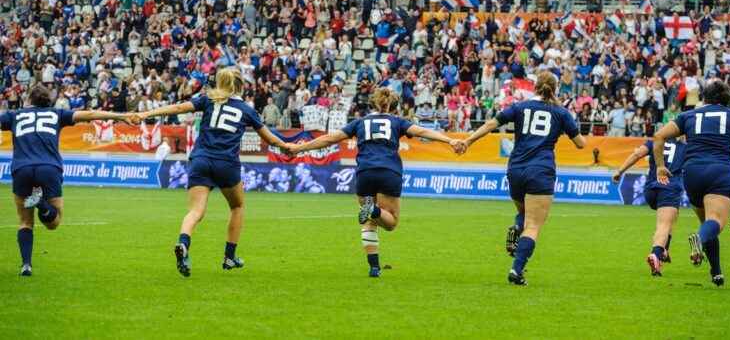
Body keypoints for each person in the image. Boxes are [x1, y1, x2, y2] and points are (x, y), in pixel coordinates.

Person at [287, 88, 465, 278]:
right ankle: (373, 211)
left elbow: (331, 138)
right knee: (391, 222)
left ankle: (374, 267)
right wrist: (449, 140)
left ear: (373, 103)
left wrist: (300, 148)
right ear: (393, 106)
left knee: (370, 223)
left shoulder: (359, 123)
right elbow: (421, 131)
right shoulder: (397, 122)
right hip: (389, 171)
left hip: (365, 173)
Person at [136, 68, 291, 277]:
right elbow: (270, 138)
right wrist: (290, 148)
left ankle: (183, 242)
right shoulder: (246, 109)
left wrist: (148, 113)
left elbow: (179, 107)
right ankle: (229, 256)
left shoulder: (207, 100)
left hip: (201, 160)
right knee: (237, 206)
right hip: (226, 163)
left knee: (196, 211)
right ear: (239, 86)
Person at [461, 71, 587, 285]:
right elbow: (580, 143)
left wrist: (468, 140)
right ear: (555, 89)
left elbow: (492, 123)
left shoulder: (520, 107)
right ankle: (516, 270)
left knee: (523, 213)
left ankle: (517, 227)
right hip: (541, 170)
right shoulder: (561, 112)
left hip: (516, 168)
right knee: (534, 225)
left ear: (535, 86)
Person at [1, 83, 134, 276]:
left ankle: (26, 265)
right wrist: (121, 116)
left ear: (29, 100)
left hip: (21, 168)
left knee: (24, 222)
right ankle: (42, 205)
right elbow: (89, 115)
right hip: (49, 168)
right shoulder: (57, 113)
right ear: (49, 100)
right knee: (53, 222)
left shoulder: (15, 115)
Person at [652, 80, 730, 287]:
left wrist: (660, 166)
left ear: (704, 97)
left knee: (707, 223)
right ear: (726, 99)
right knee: (714, 222)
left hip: (692, 173)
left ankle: (716, 272)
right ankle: (698, 239)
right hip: (719, 170)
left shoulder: (688, 115)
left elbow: (659, 136)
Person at [612, 138, 687, 276]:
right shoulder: (685, 147)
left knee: (673, 216)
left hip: (650, 189)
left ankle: (665, 249)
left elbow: (637, 154)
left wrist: (620, 171)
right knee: (664, 225)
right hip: (669, 187)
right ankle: (656, 254)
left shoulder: (655, 141)